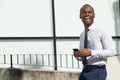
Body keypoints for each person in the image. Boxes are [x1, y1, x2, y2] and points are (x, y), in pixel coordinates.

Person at [74, 4, 115, 80]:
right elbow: (84, 56)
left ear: (94, 15)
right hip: (85, 71)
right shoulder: (82, 35)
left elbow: (111, 52)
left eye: (90, 12)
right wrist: (78, 55)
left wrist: (91, 53)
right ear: (80, 16)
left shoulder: (102, 30)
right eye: (84, 12)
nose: (87, 14)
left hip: (97, 71)